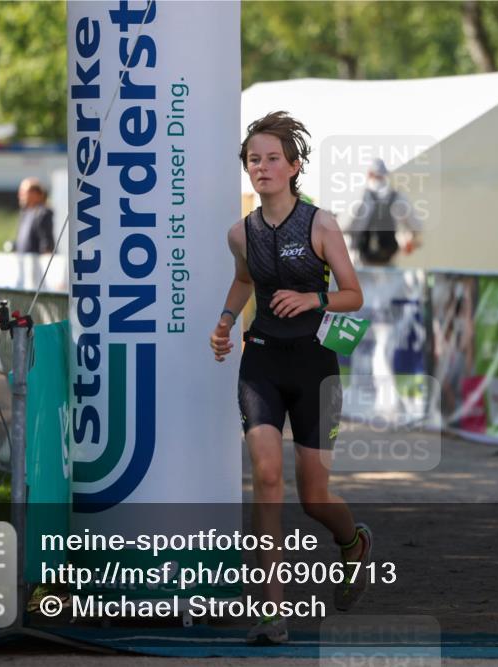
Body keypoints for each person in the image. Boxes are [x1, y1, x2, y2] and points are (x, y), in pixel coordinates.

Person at [210, 111, 370, 645]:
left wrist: (312, 297)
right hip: (260, 361)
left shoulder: (320, 224)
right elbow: (243, 280)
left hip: (315, 363)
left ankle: (352, 543)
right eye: (254, 159)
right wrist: (227, 321)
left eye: (272, 158)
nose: (262, 167)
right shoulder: (241, 233)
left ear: (293, 166)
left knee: (313, 495)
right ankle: (271, 611)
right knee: (267, 478)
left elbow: (354, 294)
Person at [348, 158, 422, 267]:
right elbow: (417, 226)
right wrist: (408, 240)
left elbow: (345, 227)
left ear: (369, 174)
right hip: (388, 262)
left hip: (360, 264)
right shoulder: (398, 197)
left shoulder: (360, 196)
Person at [13, 178, 54, 254]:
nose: (20, 195)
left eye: (23, 192)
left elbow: (46, 242)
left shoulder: (43, 213)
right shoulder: (24, 213)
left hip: (37, 263)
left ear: (36, 194)